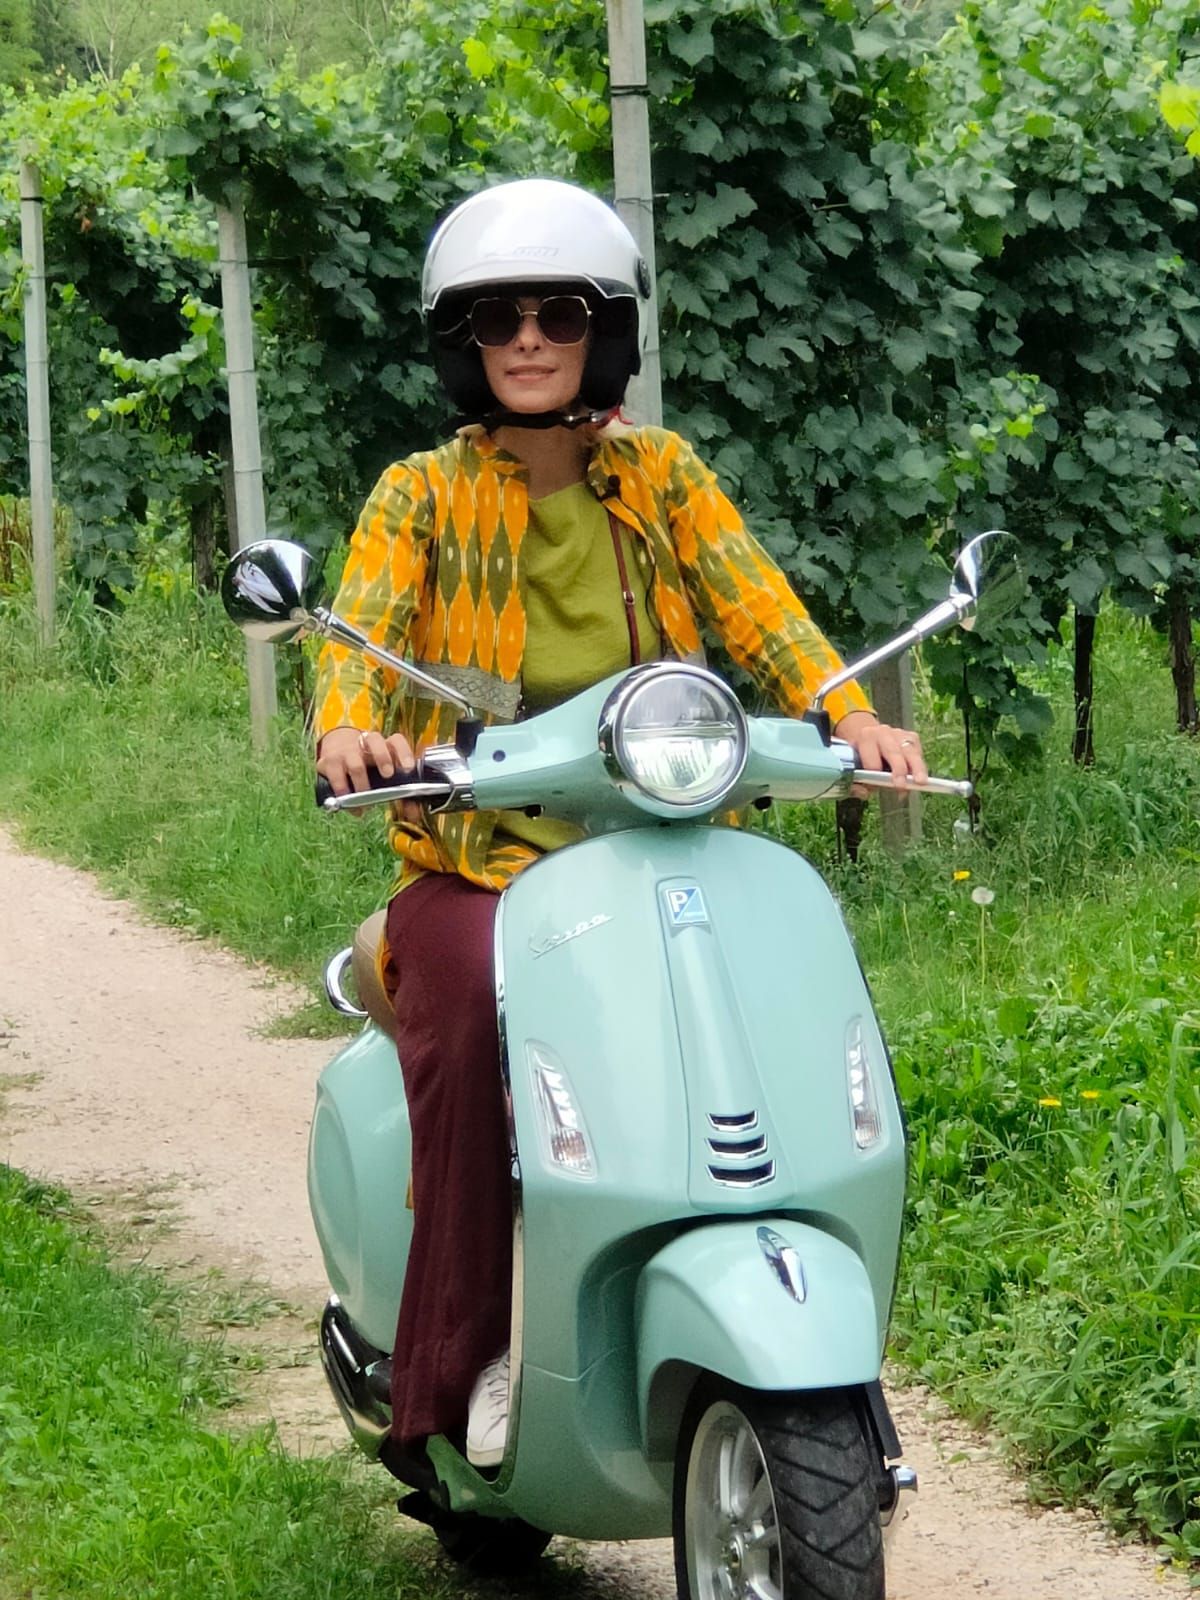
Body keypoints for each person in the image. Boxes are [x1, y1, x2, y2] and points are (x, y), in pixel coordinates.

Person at [312, 177, 927, 1471]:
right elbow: (361, 633)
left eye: (561, 314)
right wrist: (350, 732)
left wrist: (847, 710)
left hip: (658, 840)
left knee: (771, 988)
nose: (531, 339)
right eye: (498, 319)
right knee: (471, 1018)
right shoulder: (421, 495)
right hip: (482, 861)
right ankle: (467, 1361)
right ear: (462, 343)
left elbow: (756, 603)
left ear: (606, 333)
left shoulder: (661, 474)